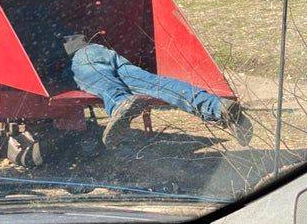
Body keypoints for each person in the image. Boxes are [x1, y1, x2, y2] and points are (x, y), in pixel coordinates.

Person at [63, 34, 253, 147]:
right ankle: (218, 107)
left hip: (80, 57)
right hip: (96, 50)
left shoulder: (42, 28)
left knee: (101, 79)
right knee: (156, 84)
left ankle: (121, 104)